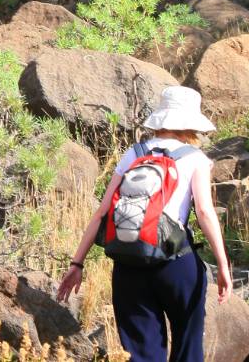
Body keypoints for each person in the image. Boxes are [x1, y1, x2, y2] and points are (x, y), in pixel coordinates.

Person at [56, 86, 233, 362]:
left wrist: (77, 264)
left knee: (141, 354)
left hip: (129, 263)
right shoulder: (195, 159)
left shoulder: (134, 153)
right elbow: (204, 212)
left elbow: (101, 213)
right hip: (176, 263)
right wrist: (223, 264)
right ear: (191, 124)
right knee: (188, 344)